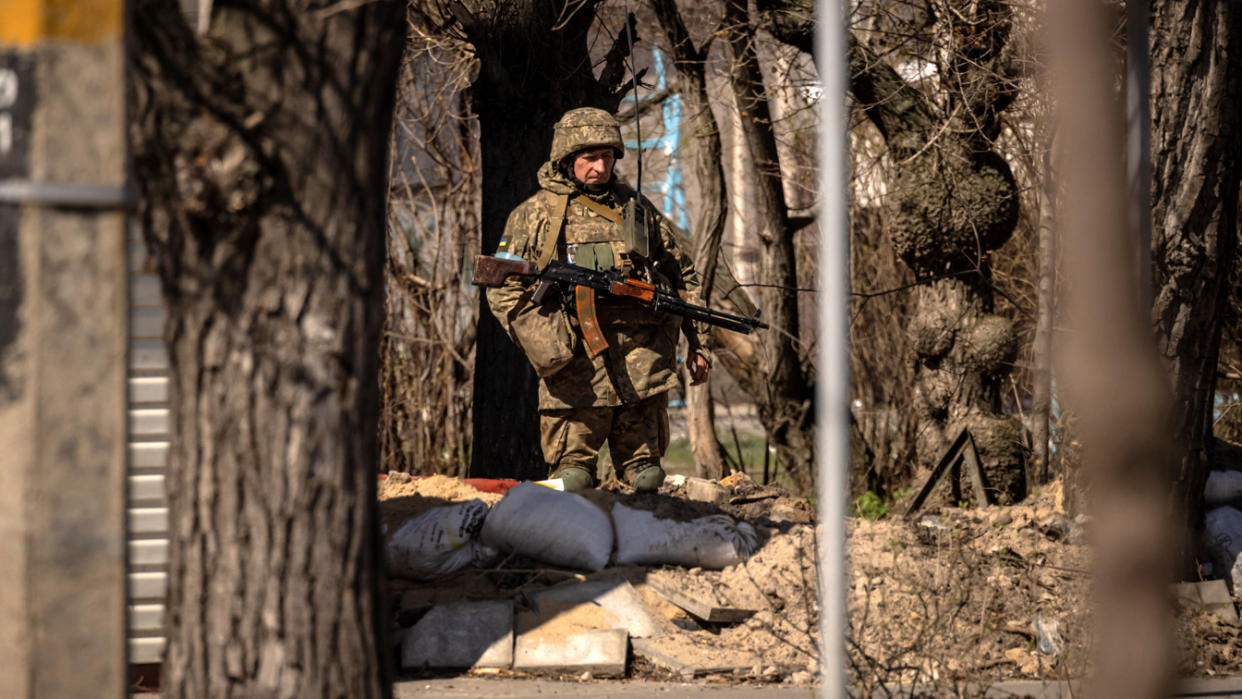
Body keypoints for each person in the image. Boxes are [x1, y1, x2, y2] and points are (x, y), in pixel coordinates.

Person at [486, 106, 713, 493]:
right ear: (566, 159)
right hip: (575, 373)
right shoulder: (535, 215)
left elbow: (685, 275)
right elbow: (501, 285)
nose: (600, 167)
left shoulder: (636, 211)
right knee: (571, 480)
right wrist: (544, 339)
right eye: (590, 158)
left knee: (647, 478)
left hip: (640, 370)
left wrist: (700, 343)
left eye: (607, 157)